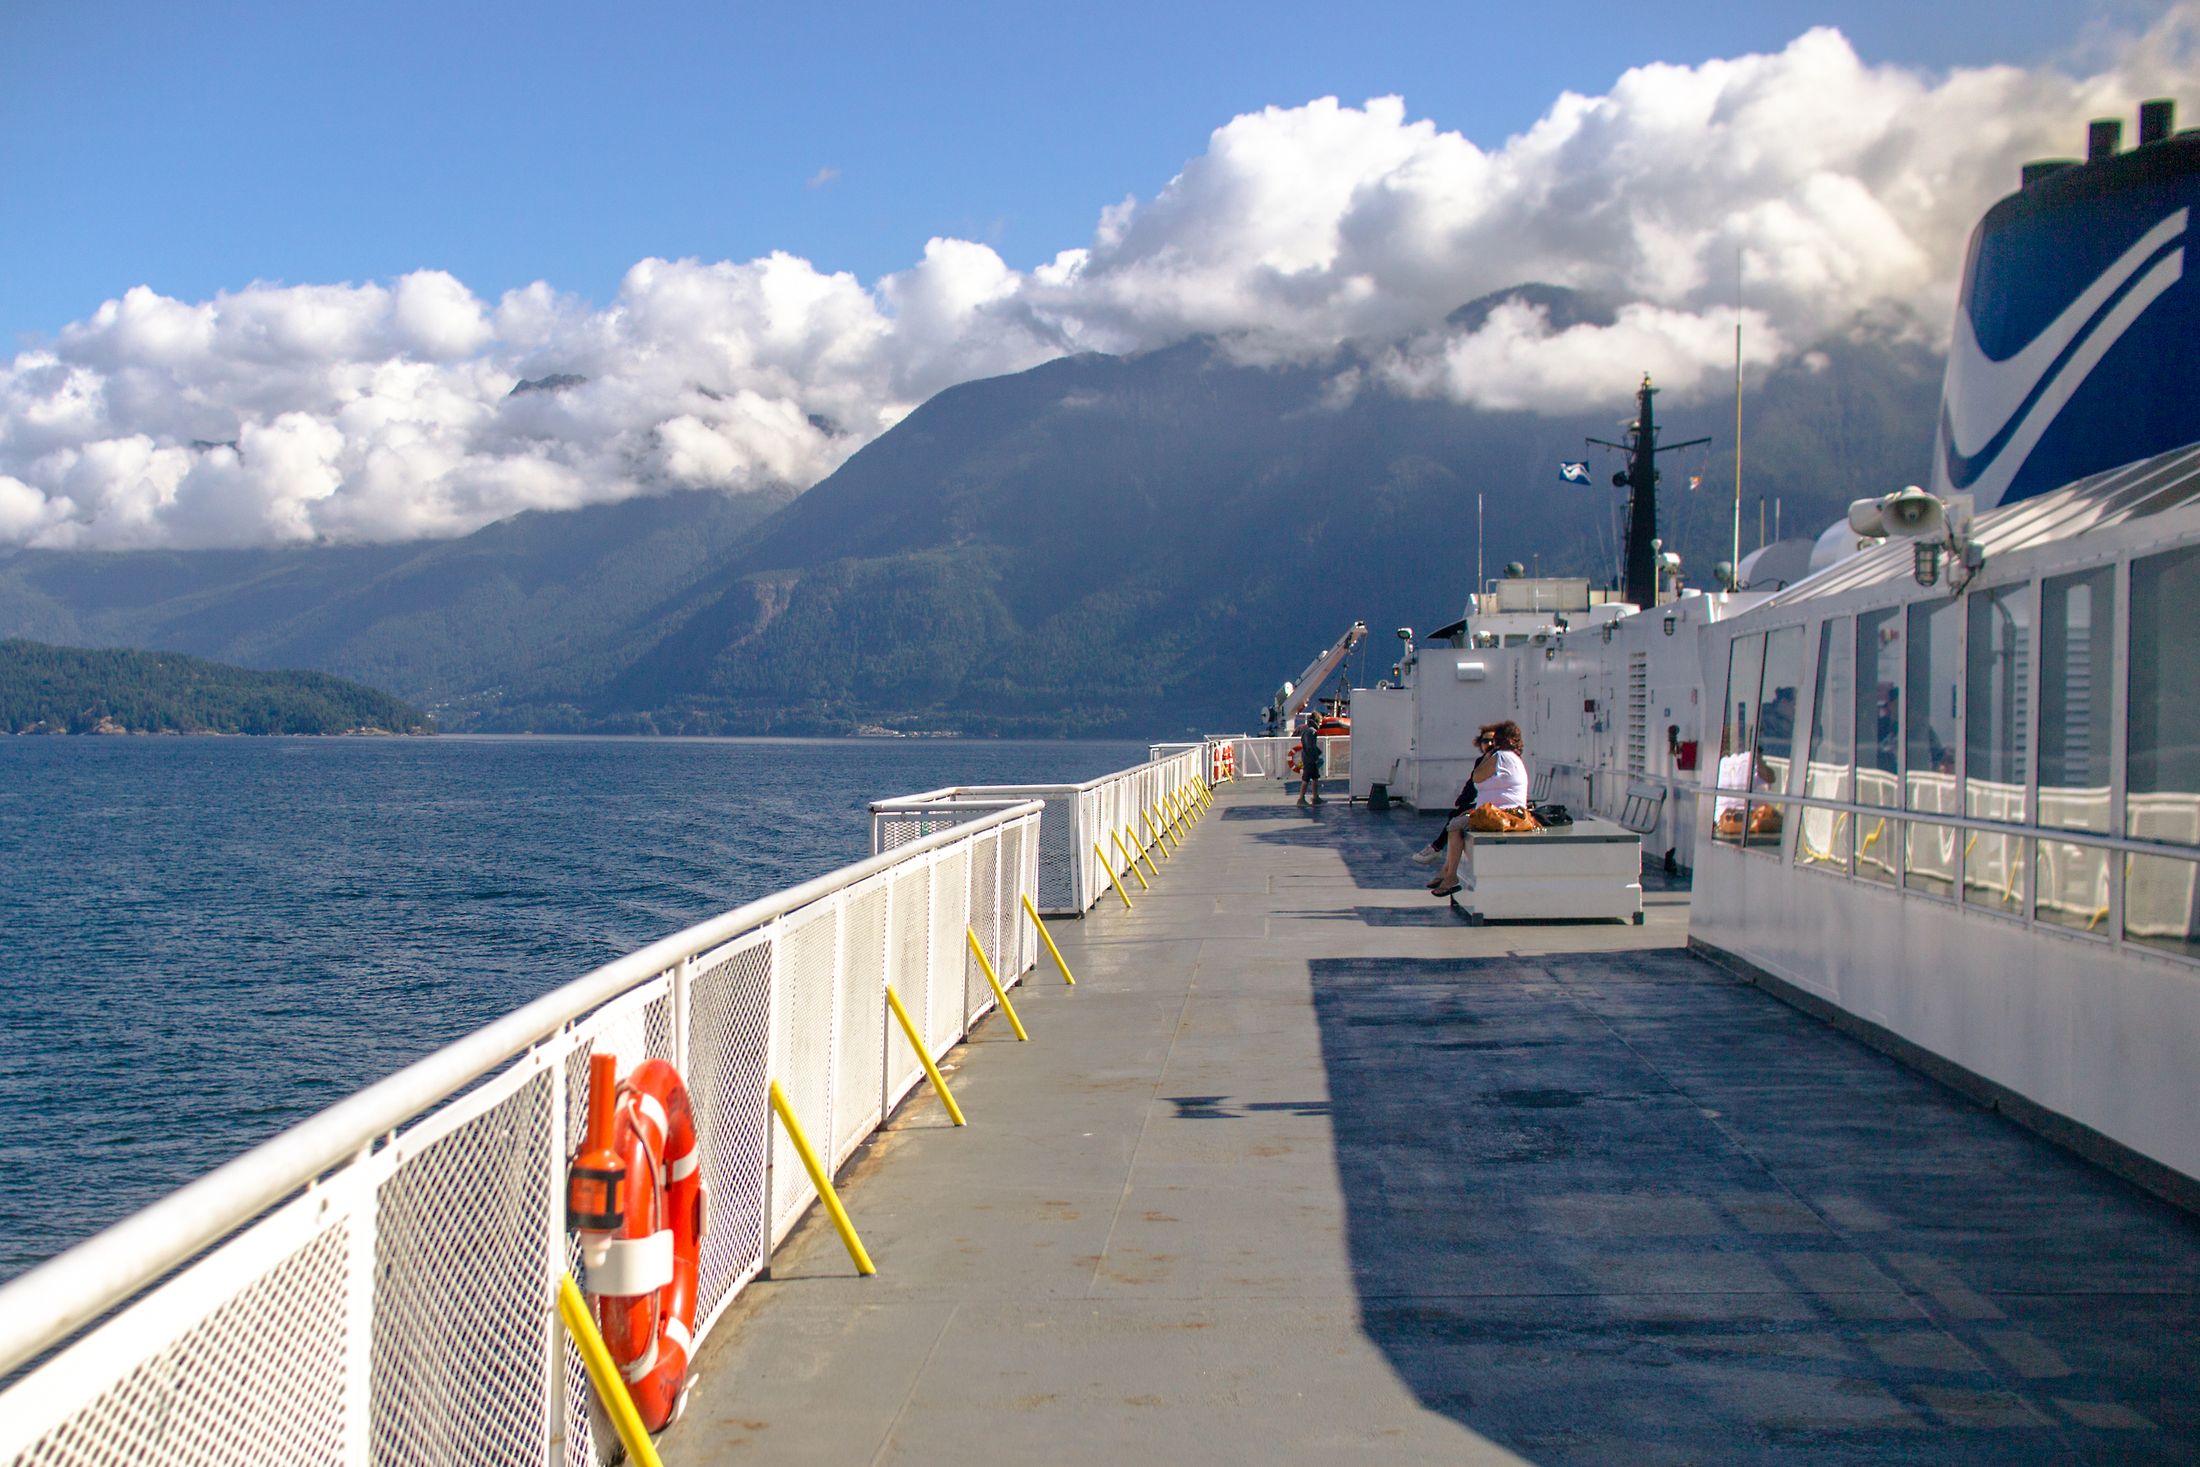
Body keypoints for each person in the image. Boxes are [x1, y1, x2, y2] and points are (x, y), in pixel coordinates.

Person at [1428, 721, 1530, 897]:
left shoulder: (1501, 757)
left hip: (1502, 815)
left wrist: (1487, 756)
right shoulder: (1514, 758)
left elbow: (1477, 776)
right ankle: (1446, 871)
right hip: (1505, 813)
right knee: (1461, 817)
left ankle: (1450, 876)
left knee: (1454, 826)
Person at [1296, 709, 1327, 806]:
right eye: (1320, 721)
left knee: (1315, 777)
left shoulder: (1306, 730)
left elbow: (1309, 745)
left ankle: (1315, 797)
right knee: (1306, 778)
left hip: (1307, 757)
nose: (1321, 723)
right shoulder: (1312, 731)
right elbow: (1310, 746)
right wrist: (1316, 756)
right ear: (1316, 720)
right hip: (1310, 759)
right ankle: (1301, 799)